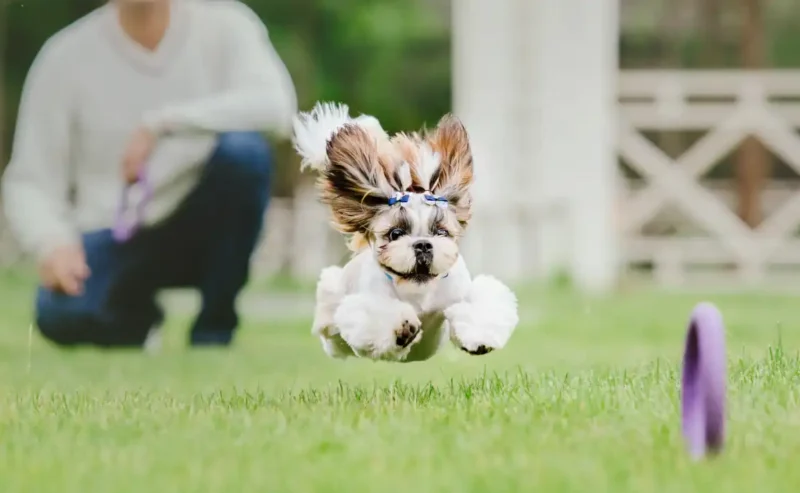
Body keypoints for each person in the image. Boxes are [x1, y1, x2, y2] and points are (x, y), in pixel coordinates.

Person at [1, 0, 297, 349]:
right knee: (58, 313)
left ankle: (214, 329)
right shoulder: (63, 56)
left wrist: (162, 123)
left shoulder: (228, 25)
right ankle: (138, 319)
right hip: (115, 234)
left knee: (245, 154)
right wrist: (52, 242)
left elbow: (276, 108)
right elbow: (30, 180)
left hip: (203, 222)